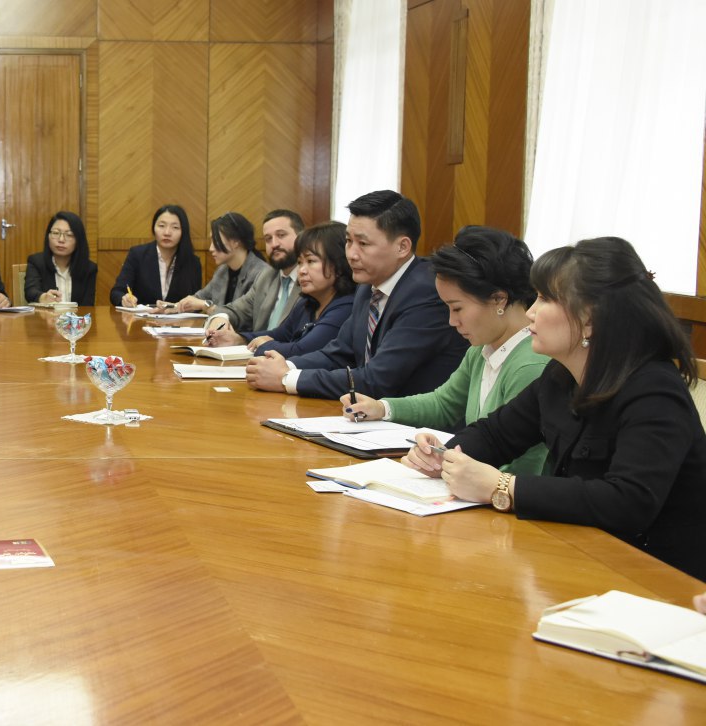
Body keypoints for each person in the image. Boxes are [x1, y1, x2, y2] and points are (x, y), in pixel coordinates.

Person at [405, 237, 706, 580]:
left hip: (655, 577)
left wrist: (503, 486)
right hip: (582, 554)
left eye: (545, 299)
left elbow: (628, 500)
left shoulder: (654, 389)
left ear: (589, 319)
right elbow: (497, 433)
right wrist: (444, 455)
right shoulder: (561, 375)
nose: (530, 311)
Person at [343, 226, 549, 475]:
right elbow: (444, 403)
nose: (452, 321)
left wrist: (447, 463)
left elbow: (525, 466)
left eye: (457, 308)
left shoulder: (530, 365)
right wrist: (383, 408)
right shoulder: (483, 347)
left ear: (499, 299)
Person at [244, 190, 466, 399]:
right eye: (349, 241)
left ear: (402, 247)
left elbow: (378, 378)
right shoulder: (367, 287)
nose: (351, 254)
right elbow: (339, 353)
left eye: (363, 243)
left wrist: (286, 379)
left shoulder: (426, 293)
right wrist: (286, 366)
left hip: (417, 429)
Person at [206, 221, 354, 358]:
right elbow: (278, 334)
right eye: (300, 262)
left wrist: (264, 345)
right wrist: (238, 339)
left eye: (310, 261)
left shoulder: (346, 307)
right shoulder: (307, 303)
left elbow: (302, 350)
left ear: (338, 264)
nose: (301, 270)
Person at [211, 209, 305, 331]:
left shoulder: (310, 279)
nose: (274, 244)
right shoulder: (267, 276)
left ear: (301, 237)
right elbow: (236, 310)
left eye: (281, 235)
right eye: (268, 239)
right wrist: (220, 318)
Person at [110, 204, 203, 307]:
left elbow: (197, 301)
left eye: (175, 227)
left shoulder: (192, 262)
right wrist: (124, 299)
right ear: (153, 228)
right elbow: (117, 292)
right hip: (141, 321)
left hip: (178, 322)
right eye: (161, 226)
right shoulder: (137, 255)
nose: (167, 232)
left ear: (183, 232)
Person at [175, 212, 269, 312]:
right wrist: (172, 307)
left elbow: (242, 315)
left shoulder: (261, 273)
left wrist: (204, 305)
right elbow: (199, 298)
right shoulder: (222, 270)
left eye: (215, 240)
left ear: (236, 241)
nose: (211, 248)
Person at [24, 211, 98, 305]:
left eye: (69, 235)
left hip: (75, 319)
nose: (61, 240)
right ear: (48, 236)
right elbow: (30, 292)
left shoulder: (89, 268)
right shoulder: (36, 262)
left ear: (79, 240)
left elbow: (88, 305)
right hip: (46, 318)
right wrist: (43, 297)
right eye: (56, 233)